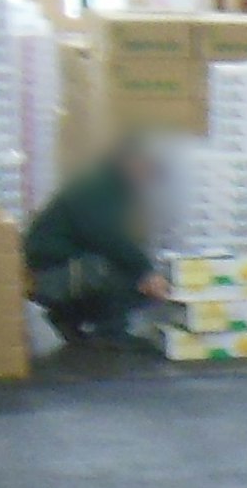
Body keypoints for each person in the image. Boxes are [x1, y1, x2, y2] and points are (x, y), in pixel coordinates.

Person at [26, 137, 168, 343]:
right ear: (129, 162)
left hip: (66, 265)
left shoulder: (114, 187)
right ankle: (111, 334)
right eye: (146, 168)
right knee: (119, 276)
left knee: (132, 279)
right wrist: (145, 271)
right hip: (50, 271)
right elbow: (105, 237)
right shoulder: (96, 188)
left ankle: (69, 317)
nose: (147, 176)